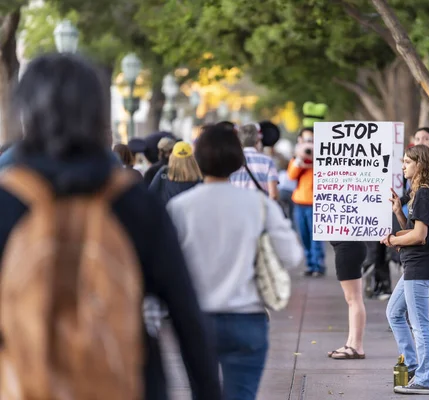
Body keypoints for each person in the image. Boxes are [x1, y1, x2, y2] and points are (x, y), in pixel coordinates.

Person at [0, 53, 221, 400]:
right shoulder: (133, 202)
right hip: (127, 382)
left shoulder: (6, 201)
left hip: (23, 382)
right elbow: (186, 314)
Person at [167, 124, 303, 400]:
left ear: (198, 160)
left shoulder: (180, 208)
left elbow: (166, 268)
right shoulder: (260, 205)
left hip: (197, 320)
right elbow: (292, 256)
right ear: (238, 160)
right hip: (248, 318)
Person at [381, 144, 429, 395]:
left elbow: (420, 236)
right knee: (394, 313)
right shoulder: (421, 193)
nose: (403, 166)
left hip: (419, 267)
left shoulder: (423, 193)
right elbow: (415, 229)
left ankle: (424, 378)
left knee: (420, 326)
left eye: (408, 162)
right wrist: (399, 213)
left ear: (420, 164)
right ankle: (412, 365)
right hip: (417, 266)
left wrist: (392, 240)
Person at [288, 127, 325, 276]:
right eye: (307, 140)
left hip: (316, 202)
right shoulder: (296, 159)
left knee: (316, 237)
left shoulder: (323, 158)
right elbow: (291, 175)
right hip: (299, 202)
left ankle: (318, 265)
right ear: (300, 141)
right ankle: (310, 264)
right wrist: (300, 158)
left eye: (312, 140)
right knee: (304, 236)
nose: (310, 144)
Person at [327, 241, 368, 360]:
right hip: (347, 247)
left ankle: (356, 346)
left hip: (347, 248)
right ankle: (351, 343)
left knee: (354, 298)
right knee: (352, 299)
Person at [229, 123, 279, 200]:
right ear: (257, 139)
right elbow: (273, 194)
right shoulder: (268, 161)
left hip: (237, 207)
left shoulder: (231, 161)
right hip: (259, 208)